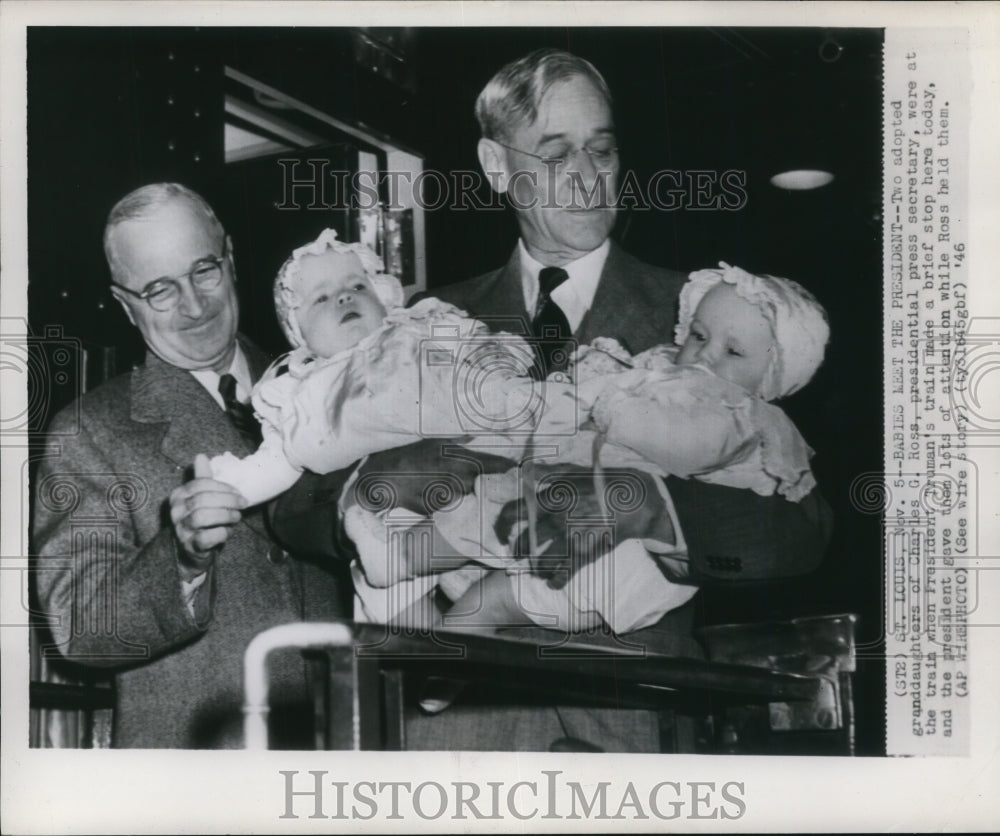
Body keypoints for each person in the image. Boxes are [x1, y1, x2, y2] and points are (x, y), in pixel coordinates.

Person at [270, 48, 833, 751]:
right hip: (466, 735)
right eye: (555, 152)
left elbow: (800, 533)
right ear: (497, 165)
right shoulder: (425, 317)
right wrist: (418, 486)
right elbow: (296, 507)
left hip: (640, 718)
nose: (588, 176)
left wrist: (638, 514)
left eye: (602, 149)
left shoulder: (709, 318)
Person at [32, 183, 345, 748]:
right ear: (125, 303)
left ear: (229, 255)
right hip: (200, 772)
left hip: (346, 755)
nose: (195, 306)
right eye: (159, 290)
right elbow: (81, 630)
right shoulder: (87, 433)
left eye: (204, 271)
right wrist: (180, 559)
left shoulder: (329, 380)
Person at [444, 262, 830, 635]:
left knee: (488, 599)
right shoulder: (437, 310)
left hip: (617, 657)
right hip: (474, 538)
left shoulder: (719, 304)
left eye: (733, 353)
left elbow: (802, 531)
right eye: (697, 337)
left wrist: (657, 508)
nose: (704, 355)